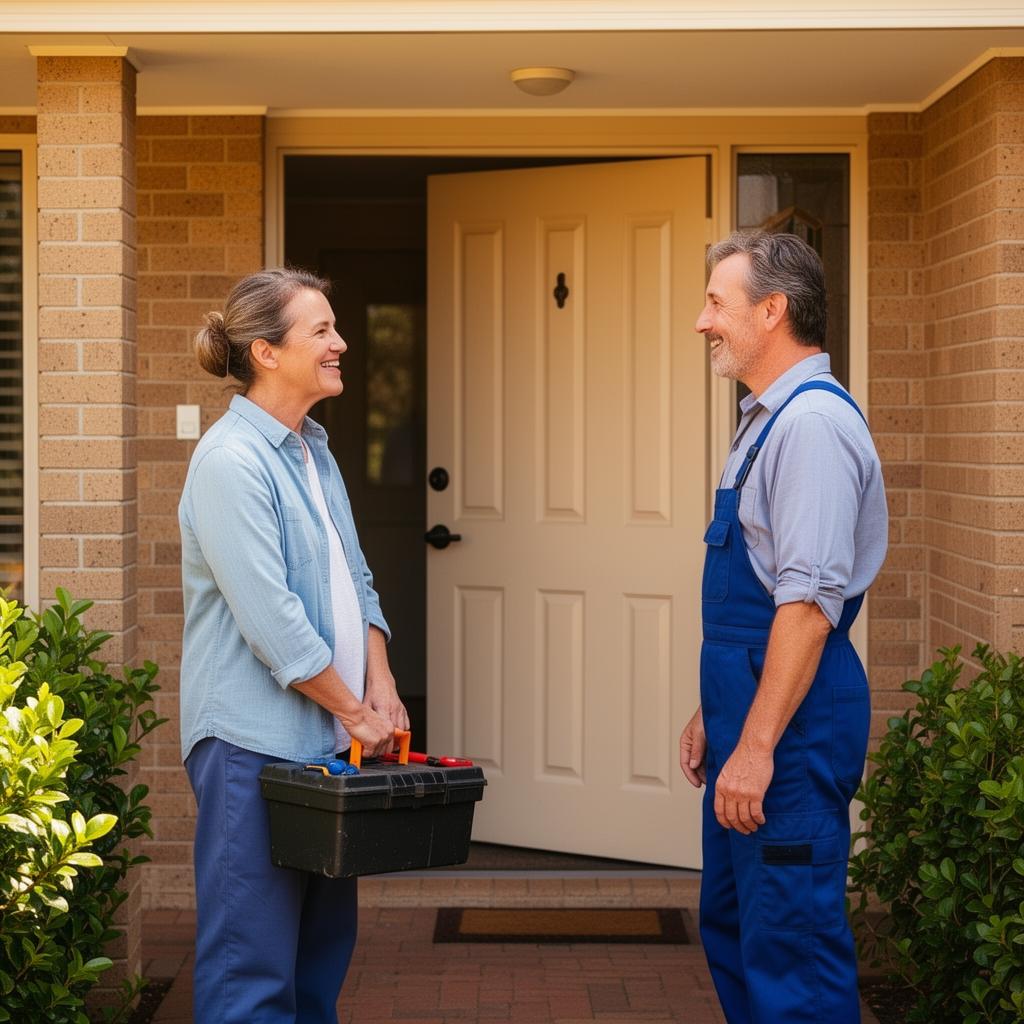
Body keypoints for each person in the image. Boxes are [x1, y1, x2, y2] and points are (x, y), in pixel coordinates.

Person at [178, 268, 408, 1024]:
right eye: (322, 331)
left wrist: (381, 684)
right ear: (267, 352)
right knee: (253, 969)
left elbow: (356, 575)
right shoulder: (229, 462)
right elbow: (271, 620)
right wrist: (356, 713)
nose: (341, 343)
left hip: (322, 741)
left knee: (318, 960)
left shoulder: (314, 449)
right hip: (252, 748)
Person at [678, 232, 887, 1024]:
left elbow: (805, 607)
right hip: (753, 723)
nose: (702, 321)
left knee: (792, 961)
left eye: (715, 303)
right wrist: (716, 713)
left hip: (790, 742)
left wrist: (757, 744)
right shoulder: (764, 423)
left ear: (773, 310)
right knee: (738, 931)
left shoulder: (810, 429)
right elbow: (760, 601)